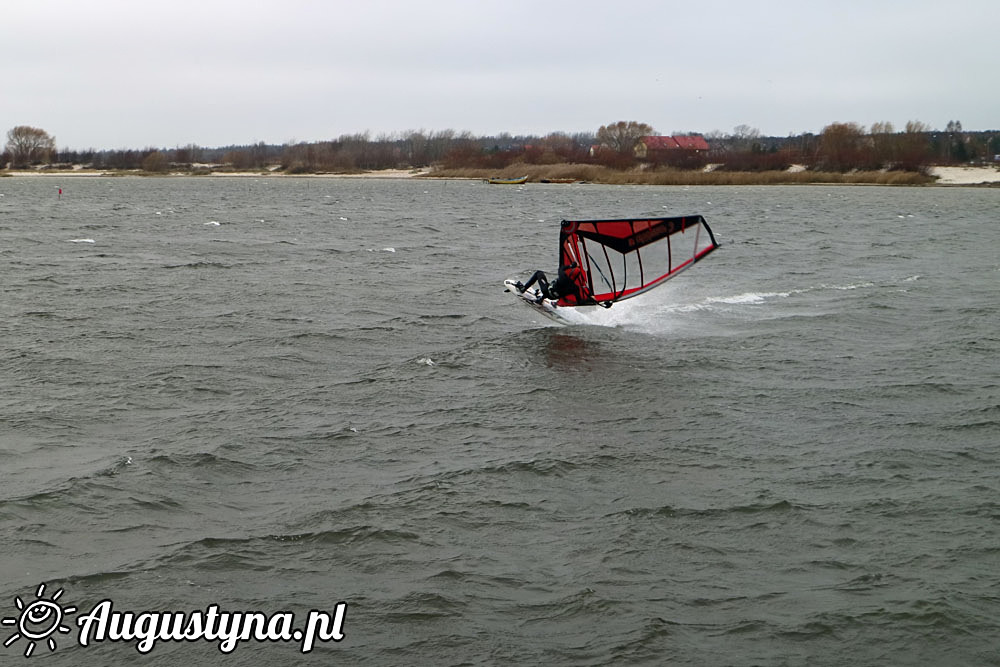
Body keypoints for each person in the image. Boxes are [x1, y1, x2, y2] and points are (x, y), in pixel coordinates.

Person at [514, 261, 593, 306]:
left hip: (547, 291)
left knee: (539, 273)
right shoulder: (575, 287)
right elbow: (579, 301)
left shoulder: (563, 277)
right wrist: (590, 297)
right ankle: (545, 299)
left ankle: (523, 289)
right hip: (554, 298)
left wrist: (571, 265)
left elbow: (561, 268)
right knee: (559, 290)